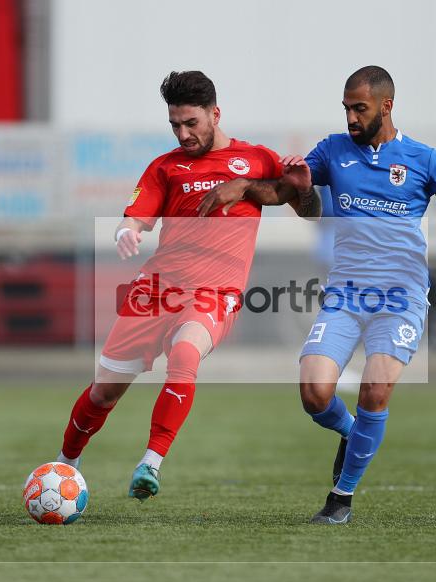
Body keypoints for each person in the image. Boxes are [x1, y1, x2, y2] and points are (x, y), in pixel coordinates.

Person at [202, 65, 436, 524]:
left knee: (374, 389)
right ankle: (352, 435)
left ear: (386, 106)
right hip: (346, 295)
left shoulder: (425, 160)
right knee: (314, 393)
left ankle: (341, 498)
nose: (351, 118)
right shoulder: (333, 151)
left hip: (401, 296)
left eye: (360, 108)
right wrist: (247, 187)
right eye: (347, 108)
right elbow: (286, 190)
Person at [55, 70, 317, 501]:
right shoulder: (165, 167)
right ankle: (66, 462)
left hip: (215, 293)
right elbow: (138, 213)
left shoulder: (257, 160)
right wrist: (128, 231)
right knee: (104, 391)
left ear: (215, 114)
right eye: (175, 124)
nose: (183, 133)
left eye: (191, 123)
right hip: (156, 290)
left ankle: (150, 463)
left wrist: (302, 191)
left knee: (185, 353)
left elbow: (308, 208)